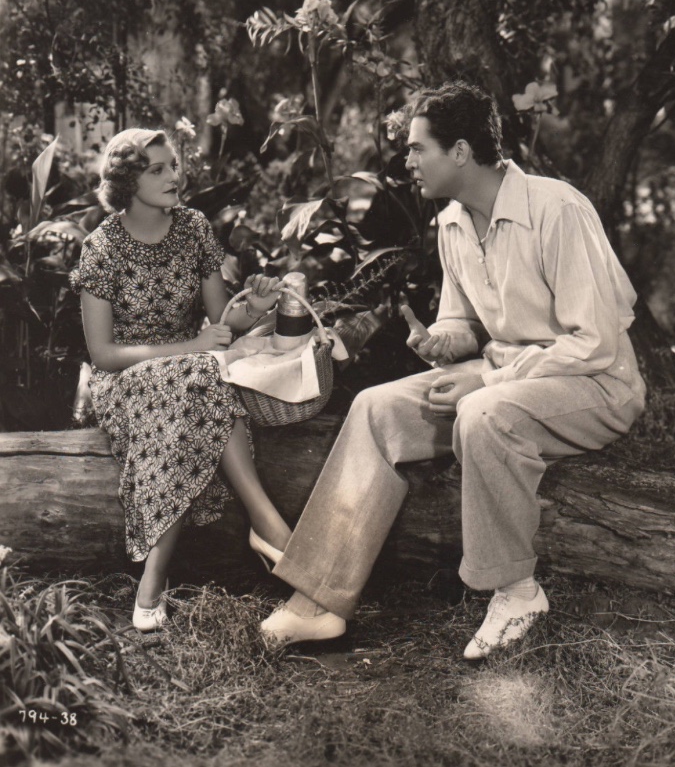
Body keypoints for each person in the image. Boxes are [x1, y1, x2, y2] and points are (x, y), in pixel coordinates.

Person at [260, 80, 646, 659]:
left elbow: (593, 342)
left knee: (484, 412)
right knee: (375, 408)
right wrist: (440, 341)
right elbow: (465, 324)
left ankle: (517, 593)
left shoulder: (558, 208)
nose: (407, 160)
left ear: (460, 151)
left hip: (597, 387)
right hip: (511, 381)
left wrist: (485, 379)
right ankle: (318, 601)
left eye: (419, 149)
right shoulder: (453, 224)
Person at [70, 128, 290, 632]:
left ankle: (156, 575)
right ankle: (268, 526)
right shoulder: (101, 247)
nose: (175, 176)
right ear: (128, 181)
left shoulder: (193, 227)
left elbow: (221, 324)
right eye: (158, 169)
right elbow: (102, 353)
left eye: (173, 165)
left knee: (198, 380)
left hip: (187, 377)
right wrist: (189, 348)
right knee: (198, 375)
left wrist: (250, 310)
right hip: (123, 380)